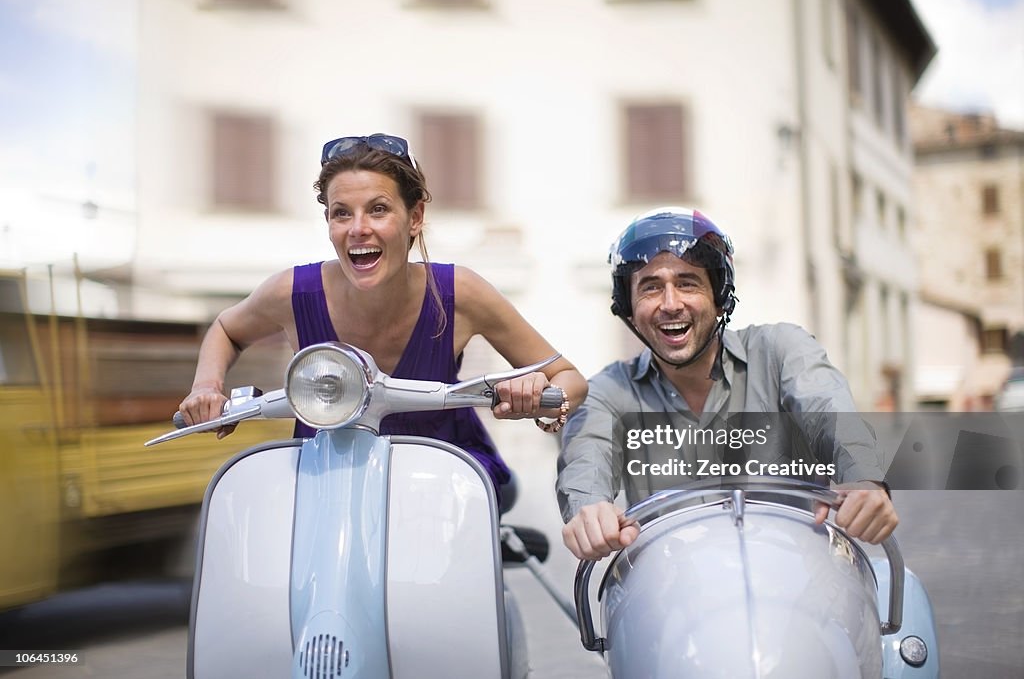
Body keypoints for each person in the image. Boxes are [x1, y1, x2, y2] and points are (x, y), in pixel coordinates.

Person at [179, 133, 588, 505]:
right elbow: (227, 329)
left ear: (414, 217)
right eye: (341, 213)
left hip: (446, 488)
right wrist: (206, 388)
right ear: (329, 224)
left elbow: (570, 378)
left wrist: (540, 399)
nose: (358, 229)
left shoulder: (460, 292)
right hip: (326, 485)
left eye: (378, 210)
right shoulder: (293, 292)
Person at [557, 206, 897, 560]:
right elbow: (586, 458)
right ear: (628, 306)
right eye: (651, 287)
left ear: (720, 298)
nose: (671, 304)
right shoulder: (607, 392)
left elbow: (829, 411)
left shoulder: (781, 351)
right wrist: (590, 511)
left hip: (794, 586)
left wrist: (863, 481)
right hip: (671, 599)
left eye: (687, 283)